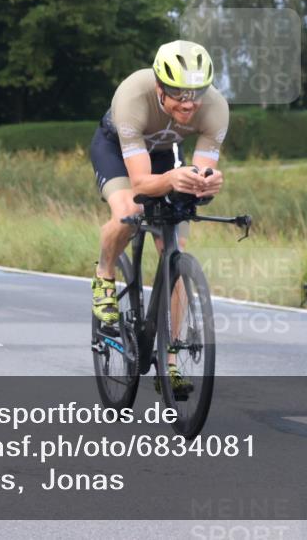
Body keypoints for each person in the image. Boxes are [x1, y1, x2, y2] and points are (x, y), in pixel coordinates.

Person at [89, 40, 228, 389]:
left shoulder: (216, 109)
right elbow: (139, 182)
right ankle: (104, 276)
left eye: (195, 93)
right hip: (116, 152)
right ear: (159, 87)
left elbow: (201, 170)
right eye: (179, 94)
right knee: (129, 210)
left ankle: (170, 363)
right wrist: (169, 180)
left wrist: (205, 183)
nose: (189, 103)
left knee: (174, 251)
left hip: (165, 155)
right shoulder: (132, 98)